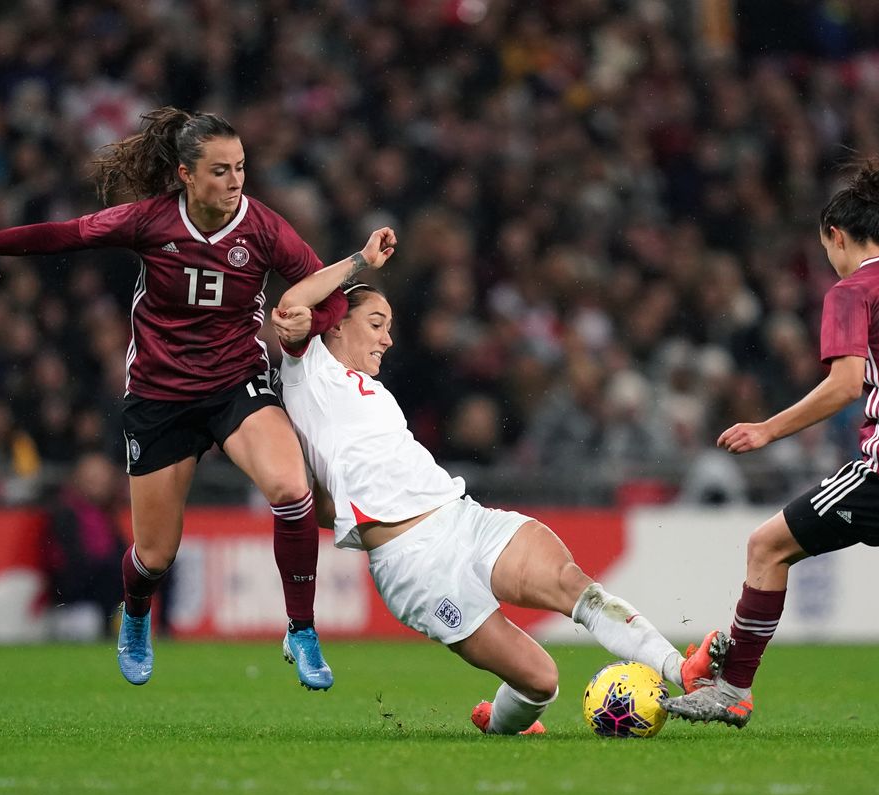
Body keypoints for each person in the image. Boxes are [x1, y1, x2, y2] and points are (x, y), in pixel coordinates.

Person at [0, 106, 396, 690]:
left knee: (292, 492)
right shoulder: (149, 220)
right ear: (187, 175)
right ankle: (136, 611)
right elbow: (59, 236)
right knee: (154, 556)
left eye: (241, 168)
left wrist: (306, 326)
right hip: (159, 396)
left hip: (235, 385)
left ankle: (301, 630)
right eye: (220, 171)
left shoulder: (265, 228)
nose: (236, 181)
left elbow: (329, 293)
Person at [271, 245, 727, 735]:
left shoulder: (374, 392)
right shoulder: (310, 367)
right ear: (336, 323)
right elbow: (292, 302)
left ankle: (682, 670)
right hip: (414, 566)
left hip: (464, 519)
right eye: (377, 323)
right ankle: (500, 723)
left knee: (574, 586)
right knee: (541, 682)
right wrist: (361, 260)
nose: (388, 337)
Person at [662, 162, 879, 742]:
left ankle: (732, 692)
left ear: (835, 235)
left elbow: (845, 386)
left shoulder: (852, 291)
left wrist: (767, 430)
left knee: (766, 547)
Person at [42, 451, 127, 639]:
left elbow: (120, 548)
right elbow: (70, 559)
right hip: (76, 586)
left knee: (155, 570)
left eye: (103, 478)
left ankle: (162, 629)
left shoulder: (105, 512)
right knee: (111, 573)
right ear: (78, 479)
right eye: (93, 478)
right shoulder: (66, 511)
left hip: (101, 577)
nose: (99, 483)